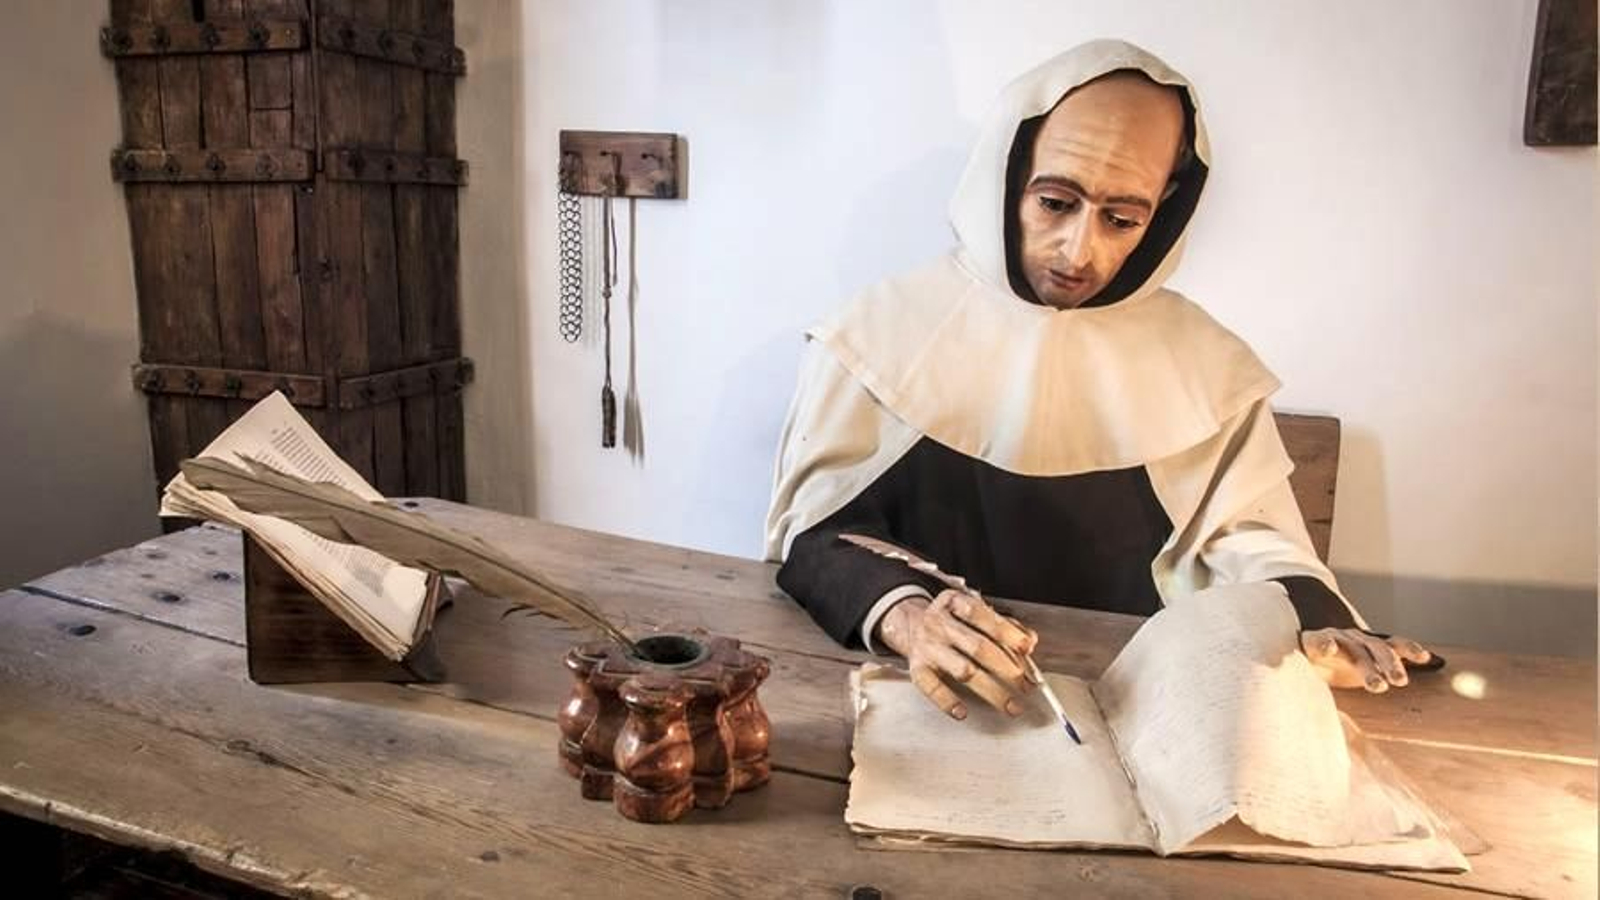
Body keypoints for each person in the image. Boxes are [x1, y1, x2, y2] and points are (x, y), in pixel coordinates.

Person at [763, 39, 1435, 722]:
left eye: (1121, 219)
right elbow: (815, 532)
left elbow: (1248, 537)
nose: (1080, 252)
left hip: (1145, 709)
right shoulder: (879, 334)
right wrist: (907, 616)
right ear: (1005, 174)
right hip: (927, 700)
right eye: (1055, 202)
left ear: (1164, 209)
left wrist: (1313, 620)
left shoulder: (1200, 361)